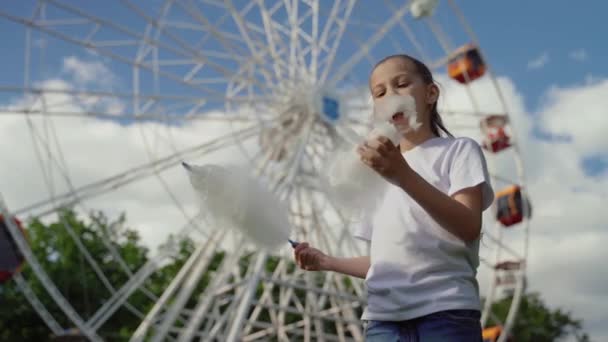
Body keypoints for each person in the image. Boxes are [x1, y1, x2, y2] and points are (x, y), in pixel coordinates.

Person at [293, 54, 494, 341]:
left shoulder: (459, 150)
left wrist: (402, 175)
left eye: (401, 84)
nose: (391, 95)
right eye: (380, 92)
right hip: (383, 321)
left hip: (446, 312)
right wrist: (327, 261)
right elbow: (384, 259)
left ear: (431, 93)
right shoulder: (372, 174)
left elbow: (468, 226)